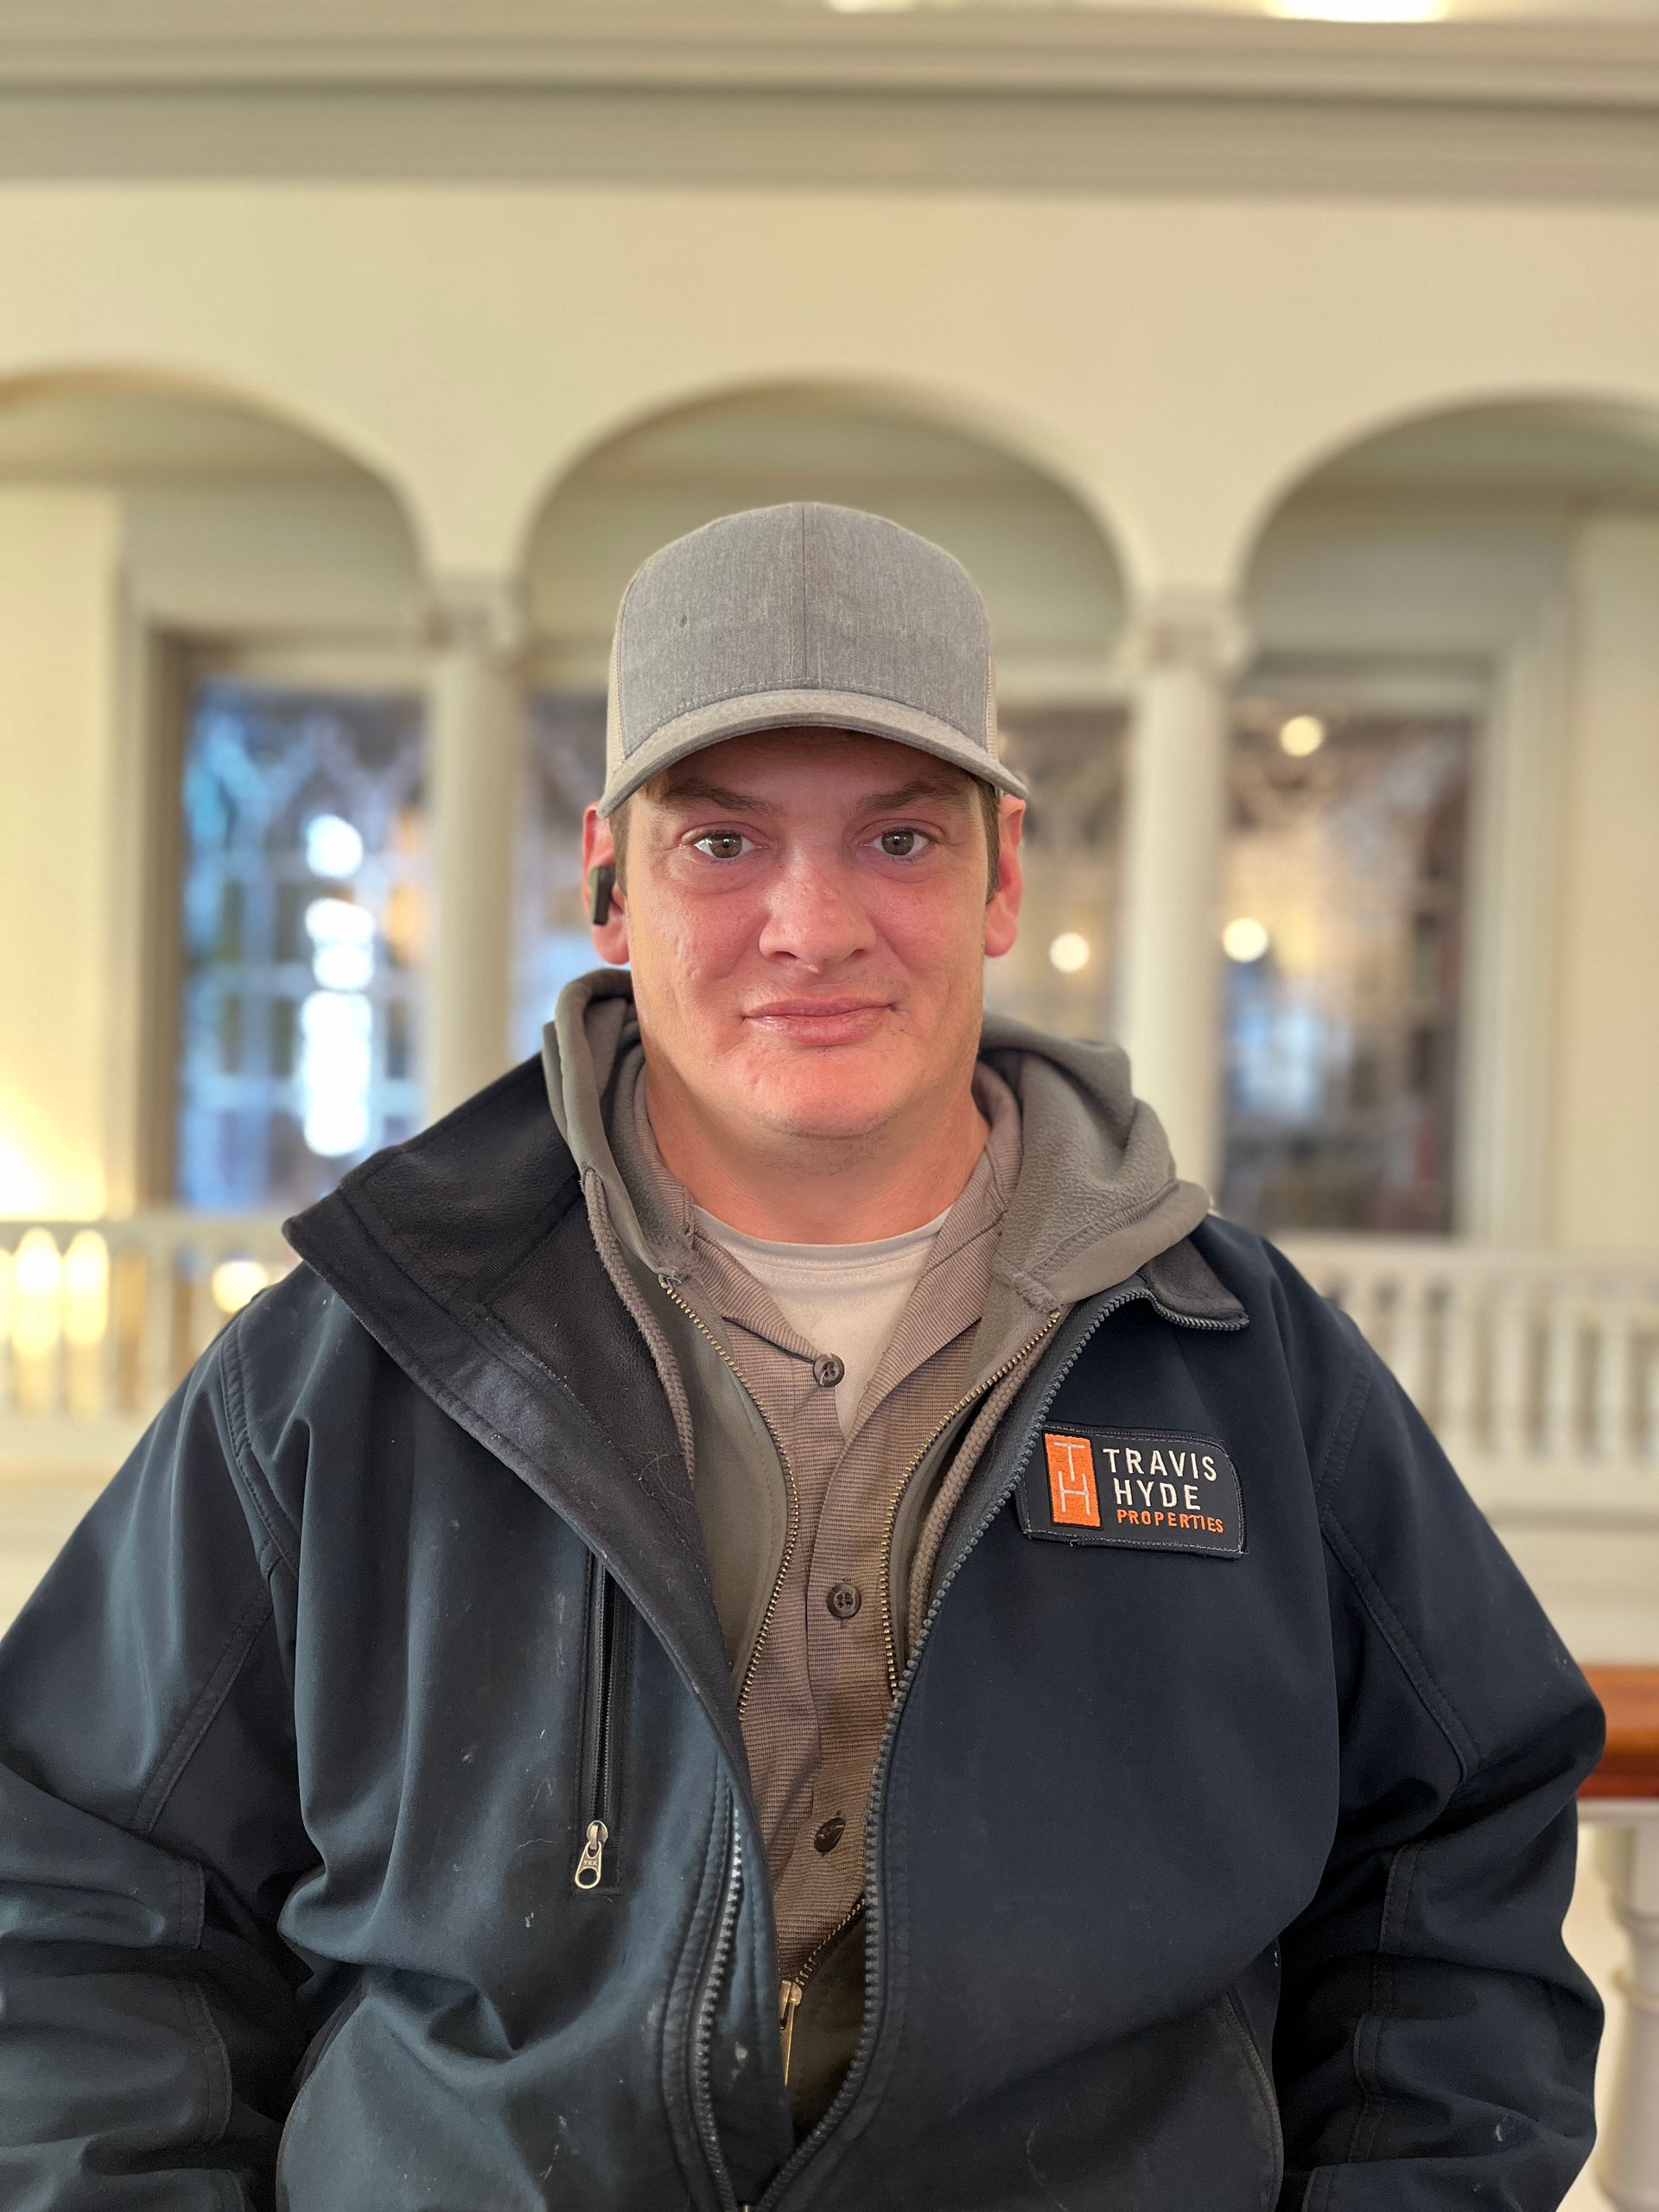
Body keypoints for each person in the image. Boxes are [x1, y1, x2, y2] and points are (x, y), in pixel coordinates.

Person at [0, 500, 1602, 2211]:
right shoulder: (349, 1359)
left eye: (900, 841)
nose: (814, 923)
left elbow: (1457, 1862)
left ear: (1004, 875)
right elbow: (86, 1885)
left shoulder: (1248, 1367)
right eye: (724, 843)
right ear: (610, 881)